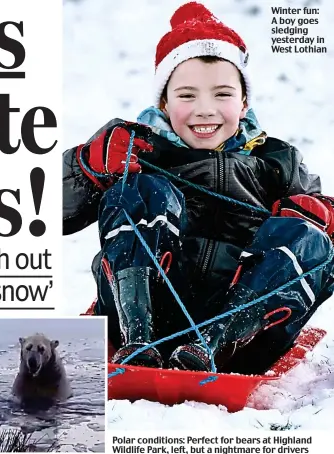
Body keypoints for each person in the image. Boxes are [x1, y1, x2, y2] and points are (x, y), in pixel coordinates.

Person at [63, 2, 334, 374]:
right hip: (143, 309)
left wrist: (320, 219)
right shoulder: (135, 149)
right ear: (164, 101)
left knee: (308, 235)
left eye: (222, 94)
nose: (205, 109)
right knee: (140, 191)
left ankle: (212, 342)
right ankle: (138, 337)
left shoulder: (277, 160)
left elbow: (317, 241)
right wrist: (85, 168)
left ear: (243, 102)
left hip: (244, 331)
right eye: (187, 96)